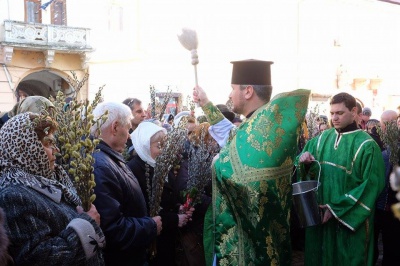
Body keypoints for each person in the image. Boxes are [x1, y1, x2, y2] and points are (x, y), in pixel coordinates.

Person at [193, 59, 311, 265]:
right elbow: (234, 137)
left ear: (248, 91)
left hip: (251, 247)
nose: (229, 95)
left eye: (232, 89)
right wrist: (205, 103)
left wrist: (219, 163)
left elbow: (246, 178)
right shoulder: (258, 126)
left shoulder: (265, 130)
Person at [0, 113, 105, 265]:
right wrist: (87, 225)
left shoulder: (52, 180)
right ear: (26, 147)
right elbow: (40, 259)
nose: (56, 150)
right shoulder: (14, 196)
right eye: (48, 144)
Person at [297, 92, 385, 266]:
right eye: (332, 113)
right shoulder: (321, 139)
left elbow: (371, 186)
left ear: (353, 112)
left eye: (340, 113)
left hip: (349, 220)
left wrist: (335, 209)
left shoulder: (367, 145)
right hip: (321, 217)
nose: (334, 118)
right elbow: (305, 171)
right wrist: (305, 162)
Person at [91, 102, 162, 266]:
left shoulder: (108, 158)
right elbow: (112, 230)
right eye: (128, 128)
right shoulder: (100, 166)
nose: (129, 135)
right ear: (115, 127)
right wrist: (150, 226)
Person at [127, 121, 192, 265]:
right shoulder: (134, 170)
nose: (163, 150)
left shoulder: (159, 165)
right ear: (144, 145)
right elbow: (142, 210)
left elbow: (167, 198)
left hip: (166, 239)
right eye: (159, 146)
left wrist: (178, 208)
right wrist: (174, 219)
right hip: (150, 242)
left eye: (165, 145)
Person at [374, 109, 400, 265]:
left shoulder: (395, 147)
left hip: (392, 205)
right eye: (384, 123)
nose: (385, 126)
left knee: (392, 244)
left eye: (389, 123)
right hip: (377, 203)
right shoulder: (377, 140)